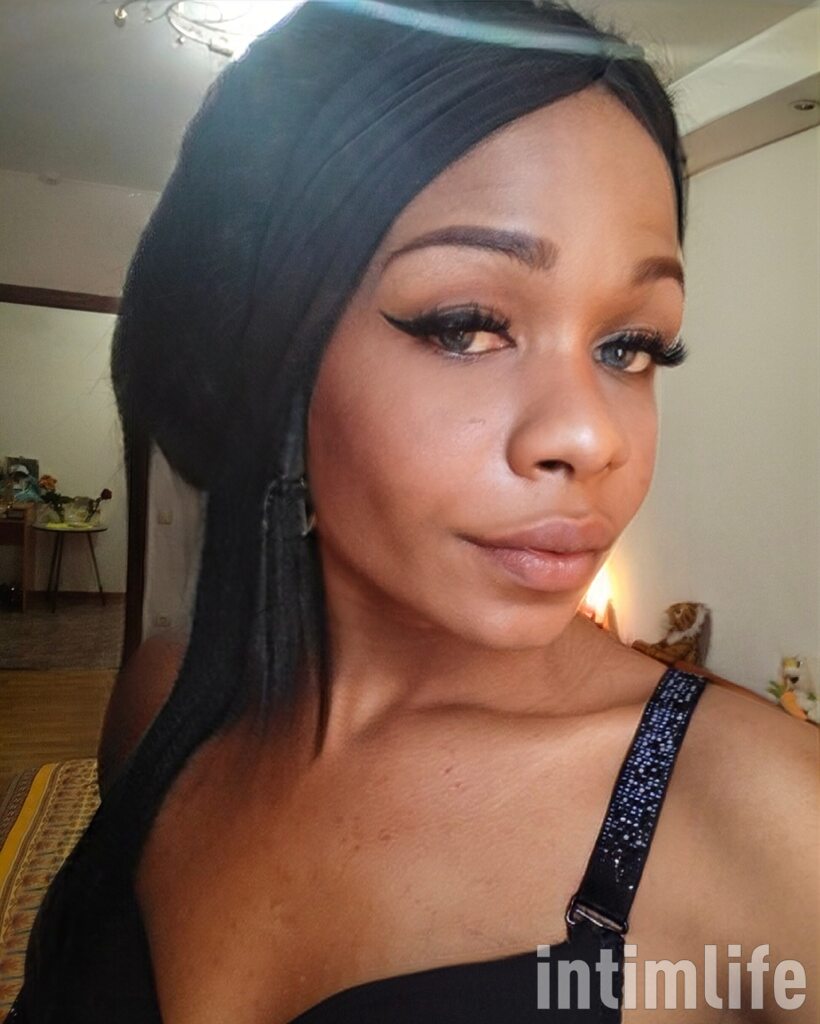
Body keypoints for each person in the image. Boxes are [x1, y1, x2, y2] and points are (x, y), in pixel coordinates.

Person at [10, 1, 816, 1021]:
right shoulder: (167, 702)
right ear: (267, 353)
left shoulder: (769, 820)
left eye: (631, 346)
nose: (589, 435)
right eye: (467, 325)